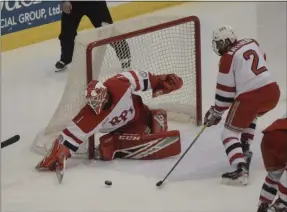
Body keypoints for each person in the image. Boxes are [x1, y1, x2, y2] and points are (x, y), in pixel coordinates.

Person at [36, 70, 183, 171]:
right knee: (108, 144)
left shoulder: (118, 83)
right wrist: (61, 152)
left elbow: (143, 79)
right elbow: (70, 137)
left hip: (139, 112)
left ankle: (149, 123)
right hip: (124, 130)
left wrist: (160, 81)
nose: (95, 105)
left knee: (143, 124)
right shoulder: (90, 115)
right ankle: (121, 143)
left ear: (104, 93)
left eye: (97, 100)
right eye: (92, 101)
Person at [204, 25, 280, 186]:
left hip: (252, 97)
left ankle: (241, 169)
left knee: (228, 134)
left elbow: (224, 94)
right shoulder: (251, 42)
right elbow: (262, 58)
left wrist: (215, 112)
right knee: (250, 115)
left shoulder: (227, 58)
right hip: (273, 92)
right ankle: (244, 147)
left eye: (219, 43)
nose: (218, 47)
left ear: (227, 41)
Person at [55, 1, 131, 72]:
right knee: (67, 32)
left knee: (107, 30)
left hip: (94, 3)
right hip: (74, 3)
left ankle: (125, 58)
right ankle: (66, 58)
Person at [257, 116, 287, 212]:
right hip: (283, 137)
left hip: (268, 137)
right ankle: (282, 203)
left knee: (274, 175)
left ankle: (263, 205)